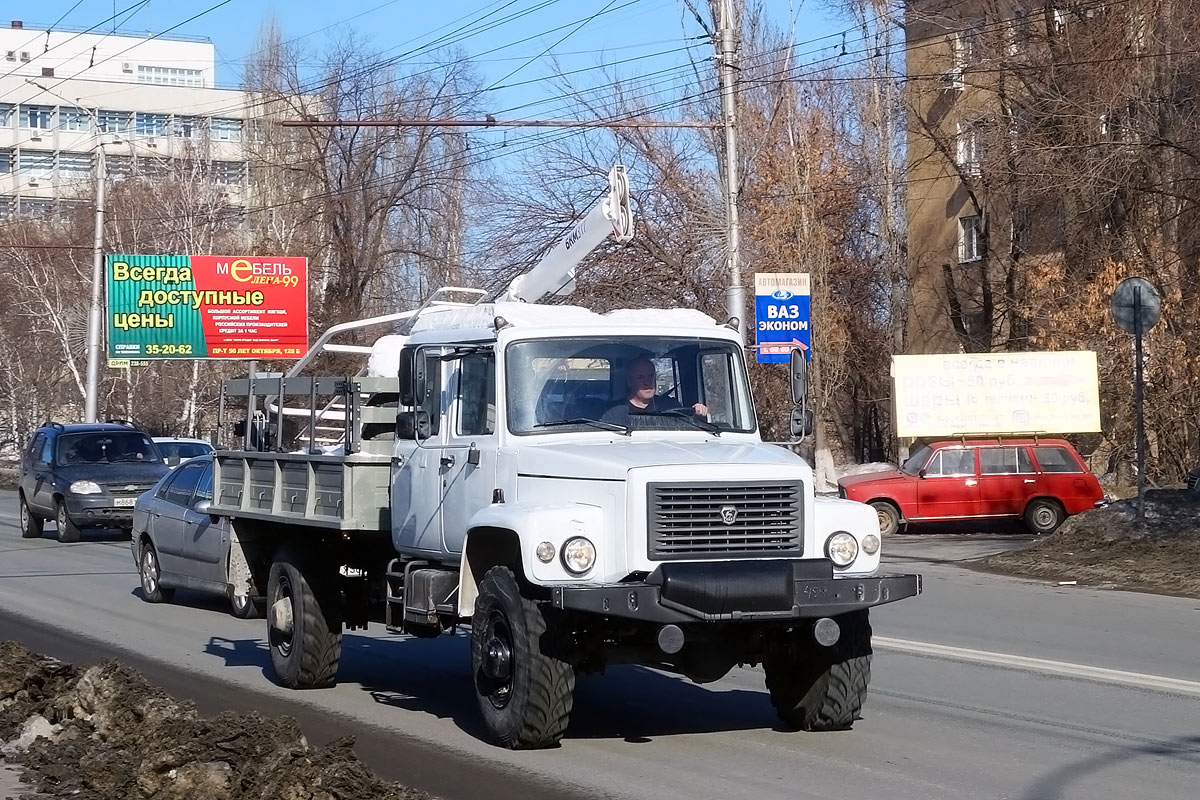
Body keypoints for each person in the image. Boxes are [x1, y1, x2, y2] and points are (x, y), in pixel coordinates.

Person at [601, 355, 708, 425]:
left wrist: (698, 415)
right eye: (641, 377)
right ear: (629, 381)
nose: (647, 382)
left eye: (650, 376)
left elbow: (688, 430)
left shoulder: (670, 406)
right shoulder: (614, 411)